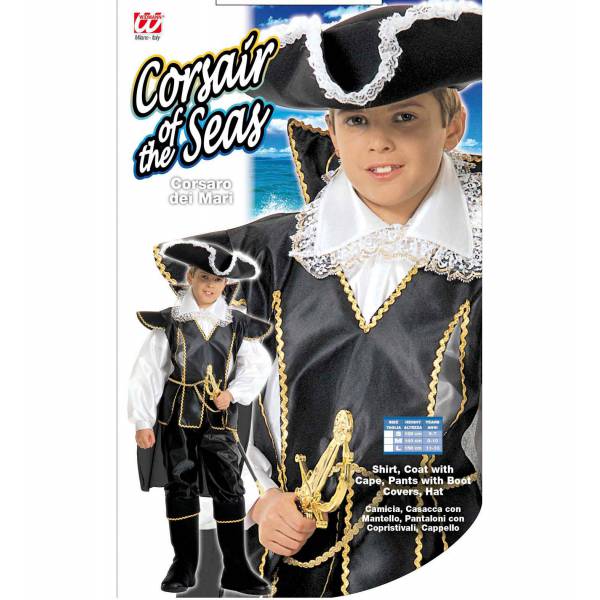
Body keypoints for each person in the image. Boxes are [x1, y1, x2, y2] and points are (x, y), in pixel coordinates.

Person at [154, 2, 482, 595]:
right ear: (331, 129)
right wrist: (262, 495)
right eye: (356, 122)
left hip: (444, 548)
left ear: (452, 124)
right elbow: (218, 386)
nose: (379, 142)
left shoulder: (493, 261)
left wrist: (396, 446)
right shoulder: (267, 254)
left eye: (405, 116)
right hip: (292, 557)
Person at [128, 240, 273, 595]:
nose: (210, 286)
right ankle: (183, 564)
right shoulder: (172, 322)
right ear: (190, 277)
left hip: (219, 419)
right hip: (178, 418)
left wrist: (232, 394)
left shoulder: (236, 324)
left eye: (218, 280)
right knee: (181, 485)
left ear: (227, 284)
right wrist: (143, 420)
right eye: (205, 277)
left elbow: (257, 366)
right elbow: (148, 372)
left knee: (229, 486)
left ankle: (236, 568)